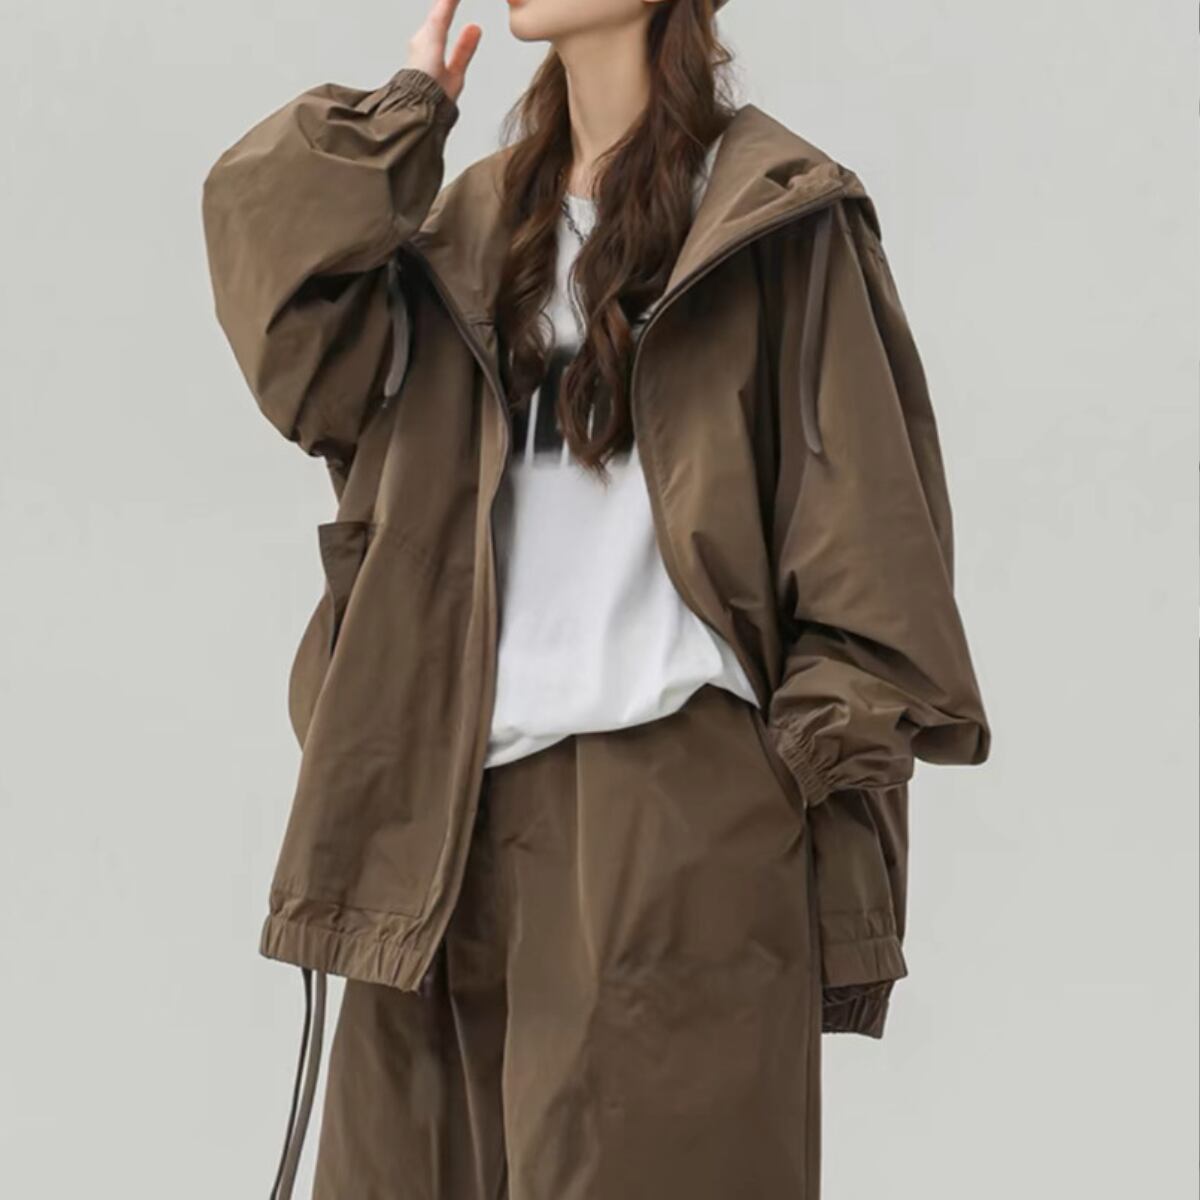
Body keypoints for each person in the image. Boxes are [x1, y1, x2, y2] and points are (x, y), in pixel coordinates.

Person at [201, 0, 991, 1195]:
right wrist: (400, 125)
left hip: (670, 812)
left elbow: (871, 544)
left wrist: (777, 786)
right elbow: (279, 301)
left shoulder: (774, 218)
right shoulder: (465, 227)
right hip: (441, 823)